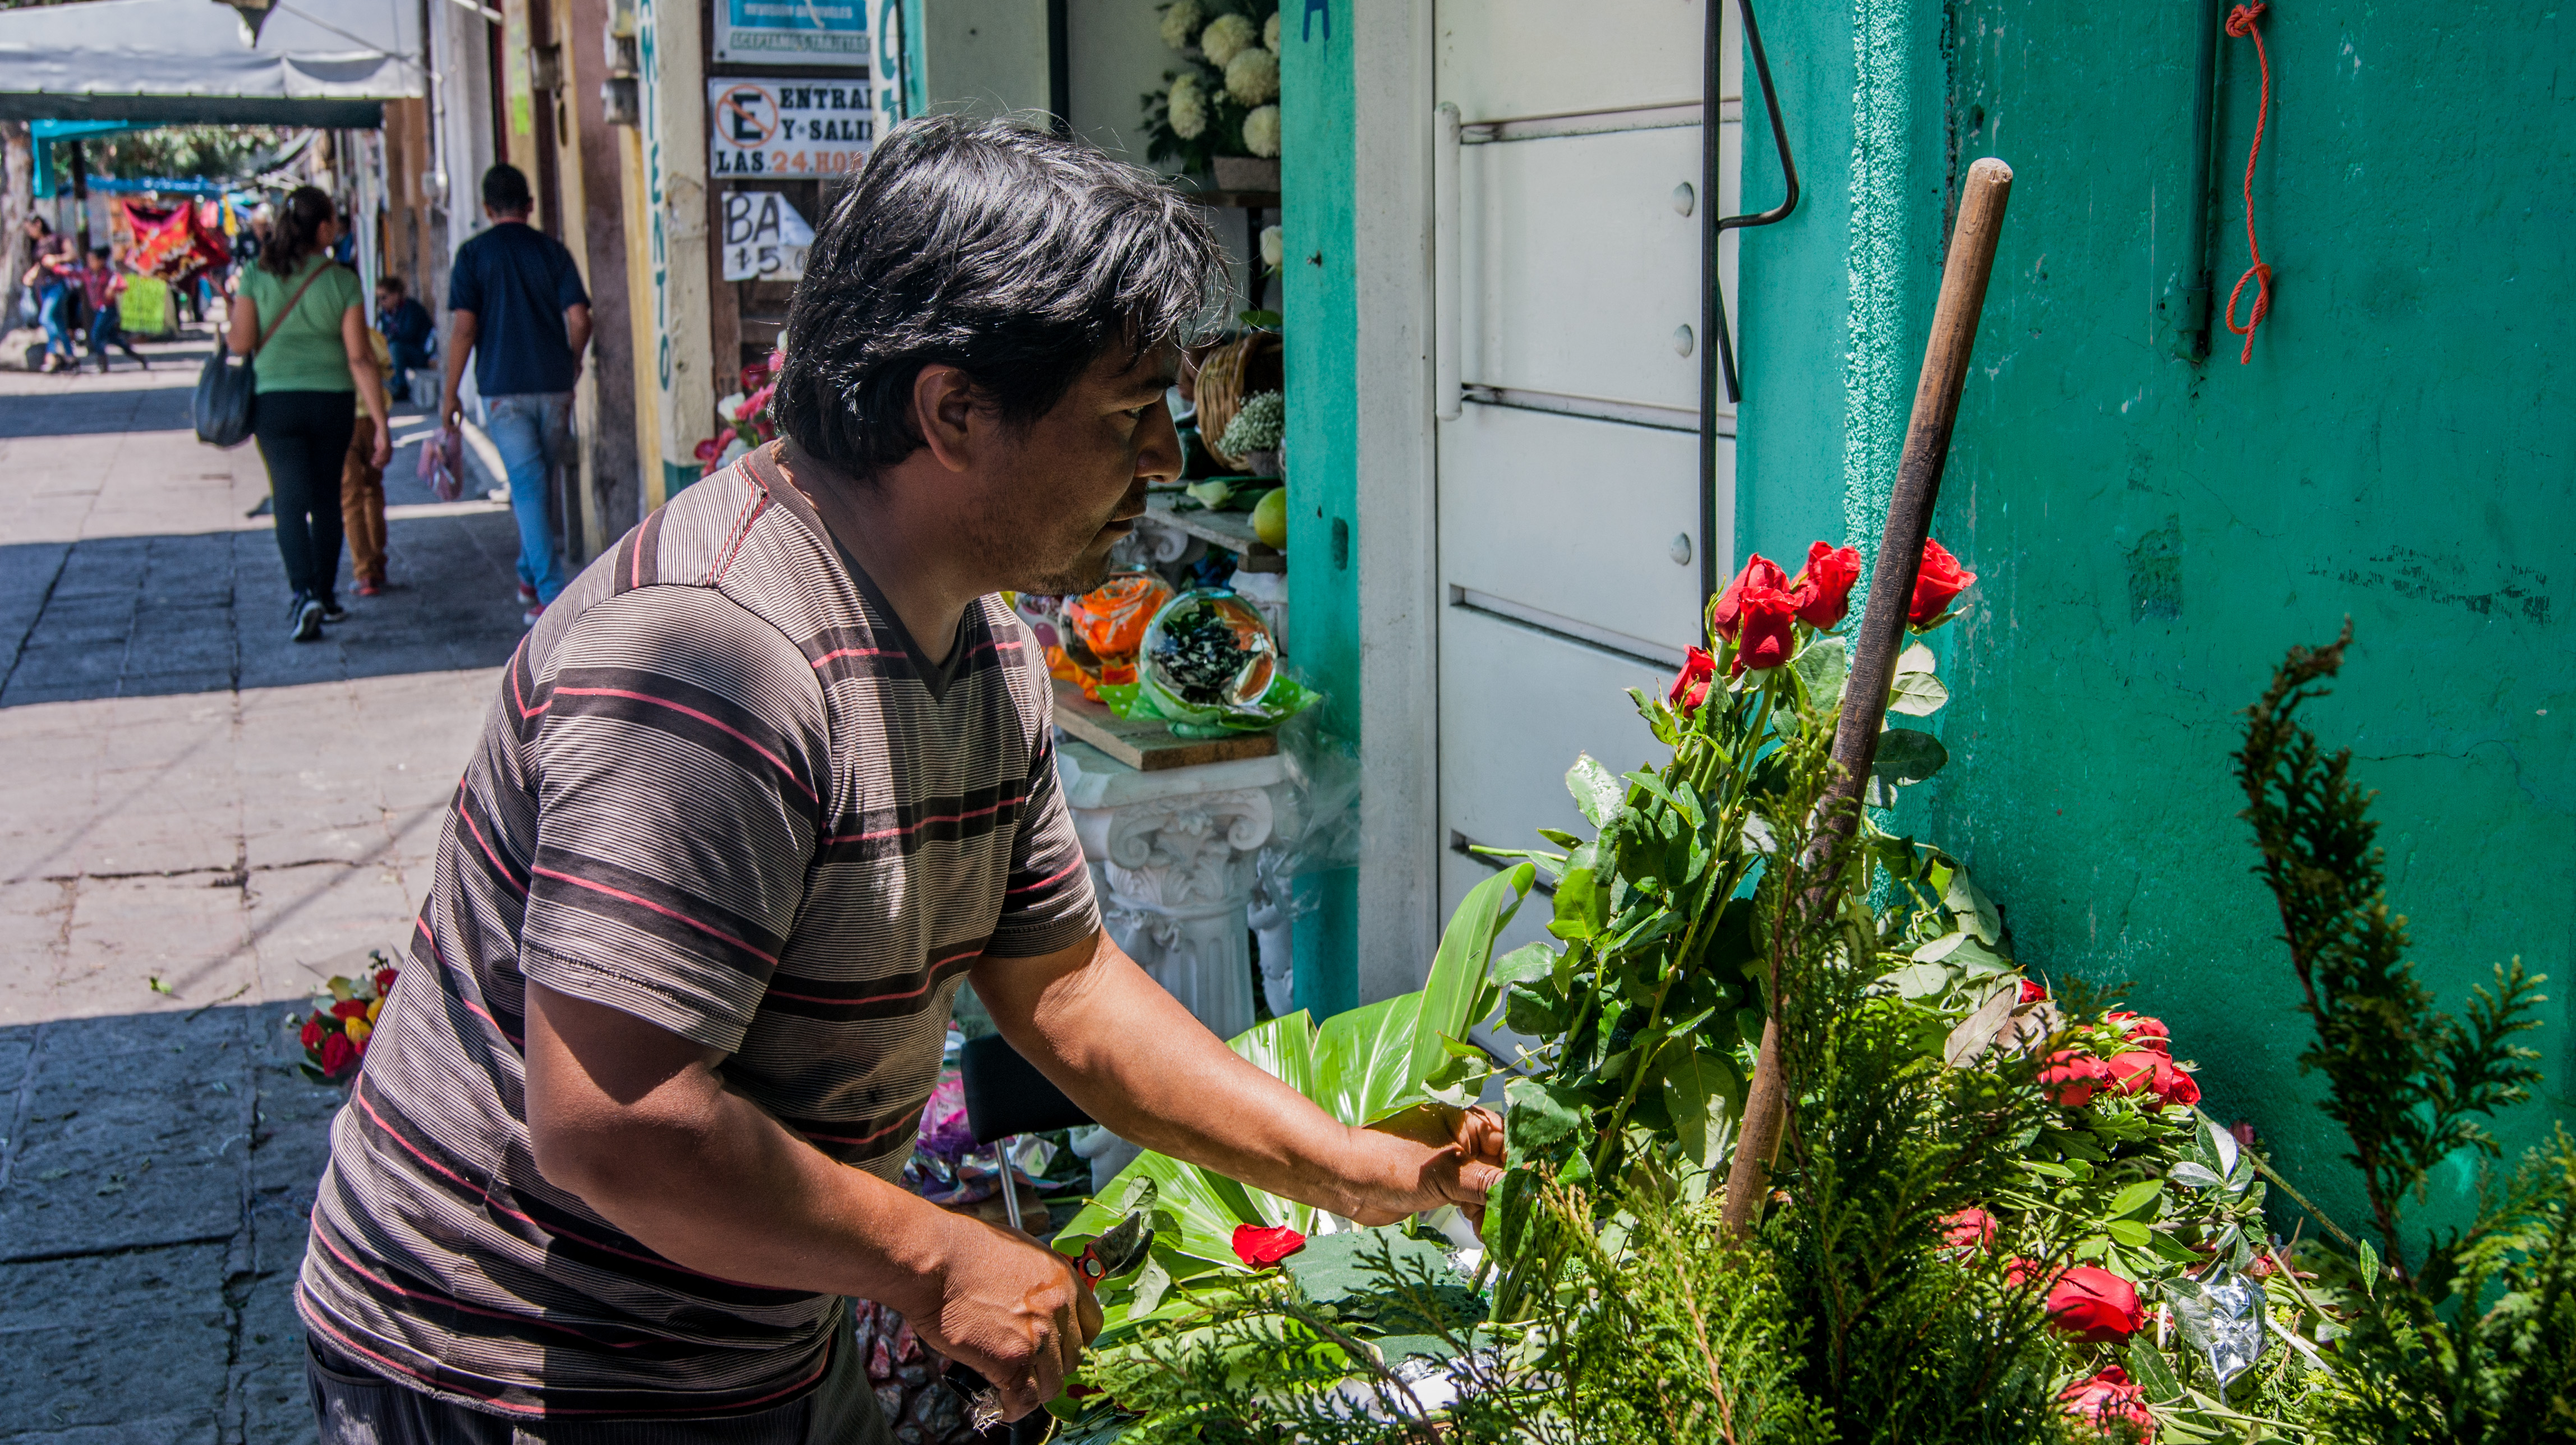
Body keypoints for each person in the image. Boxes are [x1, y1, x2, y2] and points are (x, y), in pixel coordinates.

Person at [299, 117, 1504, 1442]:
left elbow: (1064, 982)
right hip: (518, 1371)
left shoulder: (981, 644)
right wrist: (937, 1258)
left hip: (757, 1332)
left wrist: (1346, 1165)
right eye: (1125, 414)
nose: (1166, 459)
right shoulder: (713, 664)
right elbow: (620, 1120)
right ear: (952, 411)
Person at [227, 186, 391, 642]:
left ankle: (303, 595)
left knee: (288, 498)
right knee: (326, 499)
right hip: (331, 401)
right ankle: (326, 593)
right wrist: (380, 423)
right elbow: (360, 357)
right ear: (322, 228)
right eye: (335, 220)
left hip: (275, 403)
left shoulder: (257, 274)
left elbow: (239, 343)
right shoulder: (341, 281)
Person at [438, 164, 591, 628]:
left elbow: (464, 329)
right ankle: (529, 575)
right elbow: (581, 318)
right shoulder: (553, 252)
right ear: (530, 205)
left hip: (502, 389)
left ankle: (552, 597)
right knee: (535, 485)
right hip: (554, 384)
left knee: (527, 485)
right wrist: (573, 361)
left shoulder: (473, 256)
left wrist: (450, 395)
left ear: (487, 208)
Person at [342, 324, 395, 595]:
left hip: (341, 422)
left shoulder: (328, 339)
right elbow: (386, 366)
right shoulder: (370, 335)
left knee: (350, 498)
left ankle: (365, 573)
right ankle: (378, 562)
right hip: (372, 420)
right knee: (373, 490)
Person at [21, 219, 78, 374]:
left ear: (38, 224)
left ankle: (51, 354)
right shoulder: (37, 244)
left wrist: (57, 259)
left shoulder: (57, 239)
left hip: (57, 284)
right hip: (43, 286)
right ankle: (71, 358)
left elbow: (73, 255)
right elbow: (40, 264)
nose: (30, 233)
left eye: (30, 229)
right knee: (59, 323)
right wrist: (32, 273)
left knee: (45, 318)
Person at [80, 246, 147, 372]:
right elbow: (72, 274)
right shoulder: (88, 274)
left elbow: (123, 284)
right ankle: (139, 357)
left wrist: (113, 288)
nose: (90, 264)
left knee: (96, 335)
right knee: (114, 339)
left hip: (108, 310)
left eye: (93, 260)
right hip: (98, 310)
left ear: (101, 261)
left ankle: (103, 364)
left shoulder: (109, 274)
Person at [374, 274, 434, 402]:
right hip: (400, 353)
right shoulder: (386, 314)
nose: (381, 302)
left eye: (384, 297)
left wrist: (388, 340)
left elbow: (408, 335)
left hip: (419, 353)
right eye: (378, 299)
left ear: (395, 295)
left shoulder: (411, 308)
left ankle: (401, 386)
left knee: (395, 347)